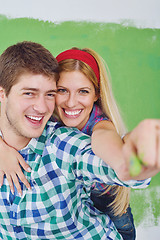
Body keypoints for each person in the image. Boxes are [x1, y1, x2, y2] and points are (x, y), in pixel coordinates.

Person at [0, 42, 159, 240]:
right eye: (60, 91)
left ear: (96, 94)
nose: (71, 102)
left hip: (109, 205)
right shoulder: (42, 115)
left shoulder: (82, 134)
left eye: (83, 91)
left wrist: (130, 161)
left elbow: (99, 147)